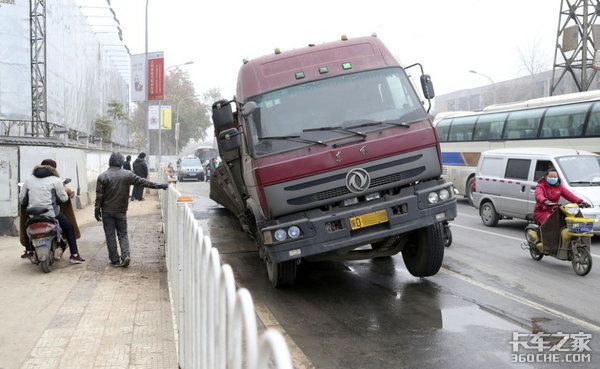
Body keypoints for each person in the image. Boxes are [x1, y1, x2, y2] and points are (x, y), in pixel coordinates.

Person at [95, 152, 168, 267]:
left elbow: (99, 196)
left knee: (110, 235)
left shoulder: (102, 176)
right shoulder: (127, 175)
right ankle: (126, 255)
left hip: (107, 211)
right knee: (123, 234)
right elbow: (144, 182)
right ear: (121, 162)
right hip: (121, 210)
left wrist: (96, 209)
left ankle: (114, 260)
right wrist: (160, 185)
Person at [18, 159, 85, 263]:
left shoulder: (28, 180)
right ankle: (74, 255)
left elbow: (22, 199)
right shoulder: (56, 180)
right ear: (53, 169)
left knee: (26, 226)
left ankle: (28, 251)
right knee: (69, 227)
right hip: (51, 214)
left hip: (33, 215)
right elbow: (63, 199)